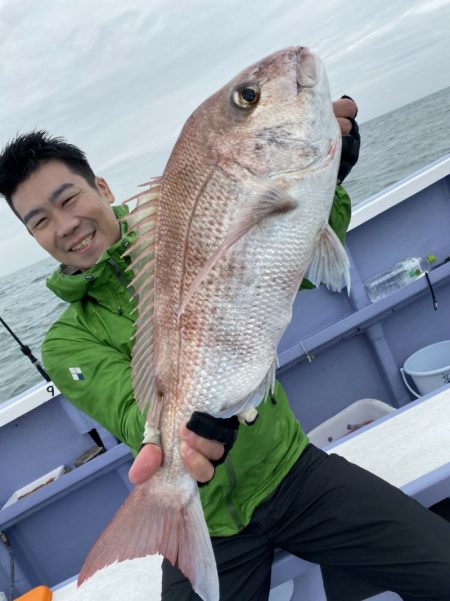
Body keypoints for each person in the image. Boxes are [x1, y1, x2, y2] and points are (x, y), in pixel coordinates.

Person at [1, 99, 449, 601]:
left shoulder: (181, 228)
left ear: (101, 188)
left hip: (292, 472)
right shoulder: (66, 343)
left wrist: (328, 185)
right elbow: (133, 417)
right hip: (208, 526)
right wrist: (188, 432)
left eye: (68, 199)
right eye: (39, 221)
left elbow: (297, 265)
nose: (64, 226)